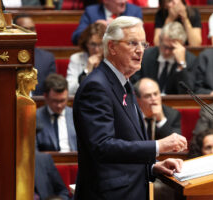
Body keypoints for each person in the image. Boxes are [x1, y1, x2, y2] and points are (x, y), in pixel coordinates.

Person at [73, 16, 187, 200]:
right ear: (112, 47)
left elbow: (124, 143)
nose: (140, 50)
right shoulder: (97, 87)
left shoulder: (125, 83)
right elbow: (102, 146)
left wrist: (151, 166)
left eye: (143, 44)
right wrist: (158, 145)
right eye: (133, 43)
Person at [132, 21, 196, 94]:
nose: (166, 52)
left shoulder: (190, 60)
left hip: (174, 104)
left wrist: (181, 64)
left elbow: (187, 94)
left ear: (181, 46)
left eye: (172, 48)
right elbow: (134, 85)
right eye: (165, 46)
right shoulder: (145, 56)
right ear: (159, 40)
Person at [14, 15, 57, 96]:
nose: (30, 33)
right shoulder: (7, 58)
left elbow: (52, 88)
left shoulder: (47, 58)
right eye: (25, 29)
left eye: (32, 29)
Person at [71, 0, 143, 45]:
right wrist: (94, 28)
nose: (124, 1)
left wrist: (119, 28)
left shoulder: (134, 11)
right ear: (105, 0)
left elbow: (140, 38)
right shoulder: (91, 12)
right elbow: (76, 38)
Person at [36, 74, 77, 152]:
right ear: (46, 97)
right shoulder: (35, 117)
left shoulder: (76, 115)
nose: (59, 105)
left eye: (62, 100)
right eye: (55, 101)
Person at [66, 23, 106, 95]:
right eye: (93, 44)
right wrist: (87, 70)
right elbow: (69, 90)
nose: (96, 49)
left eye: (100, 44)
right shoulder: (76, 59)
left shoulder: (111, 60)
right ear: (86, 44)